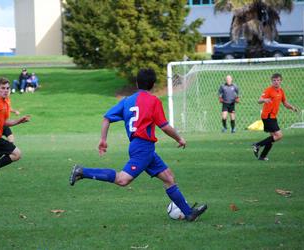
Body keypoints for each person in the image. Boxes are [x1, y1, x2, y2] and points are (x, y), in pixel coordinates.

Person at [69, 68, 207, 222]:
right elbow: (165, 126)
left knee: (168, 177)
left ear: (136, 83)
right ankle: (82, 171)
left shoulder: (127, 101)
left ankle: (189, 213)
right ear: (153, 84)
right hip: (143, 148)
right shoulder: (154, 101)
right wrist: (179, 138)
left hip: (141, 147)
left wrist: (103, 139)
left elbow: (106, 118)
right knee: (123, 180)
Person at [252, 73, 297, 161]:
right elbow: (259, 100)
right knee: (279, 135)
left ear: (281, 81)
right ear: (272, 81)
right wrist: (265, 99)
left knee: (272, 137)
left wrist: (292, 107)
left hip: (272, 116)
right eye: (274, 80)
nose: (276, 82)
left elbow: (285, 103)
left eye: (278, 80)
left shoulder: (281, 91)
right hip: (267, 116)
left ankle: (262, 156)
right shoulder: (269, 90)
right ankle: (257, 145)